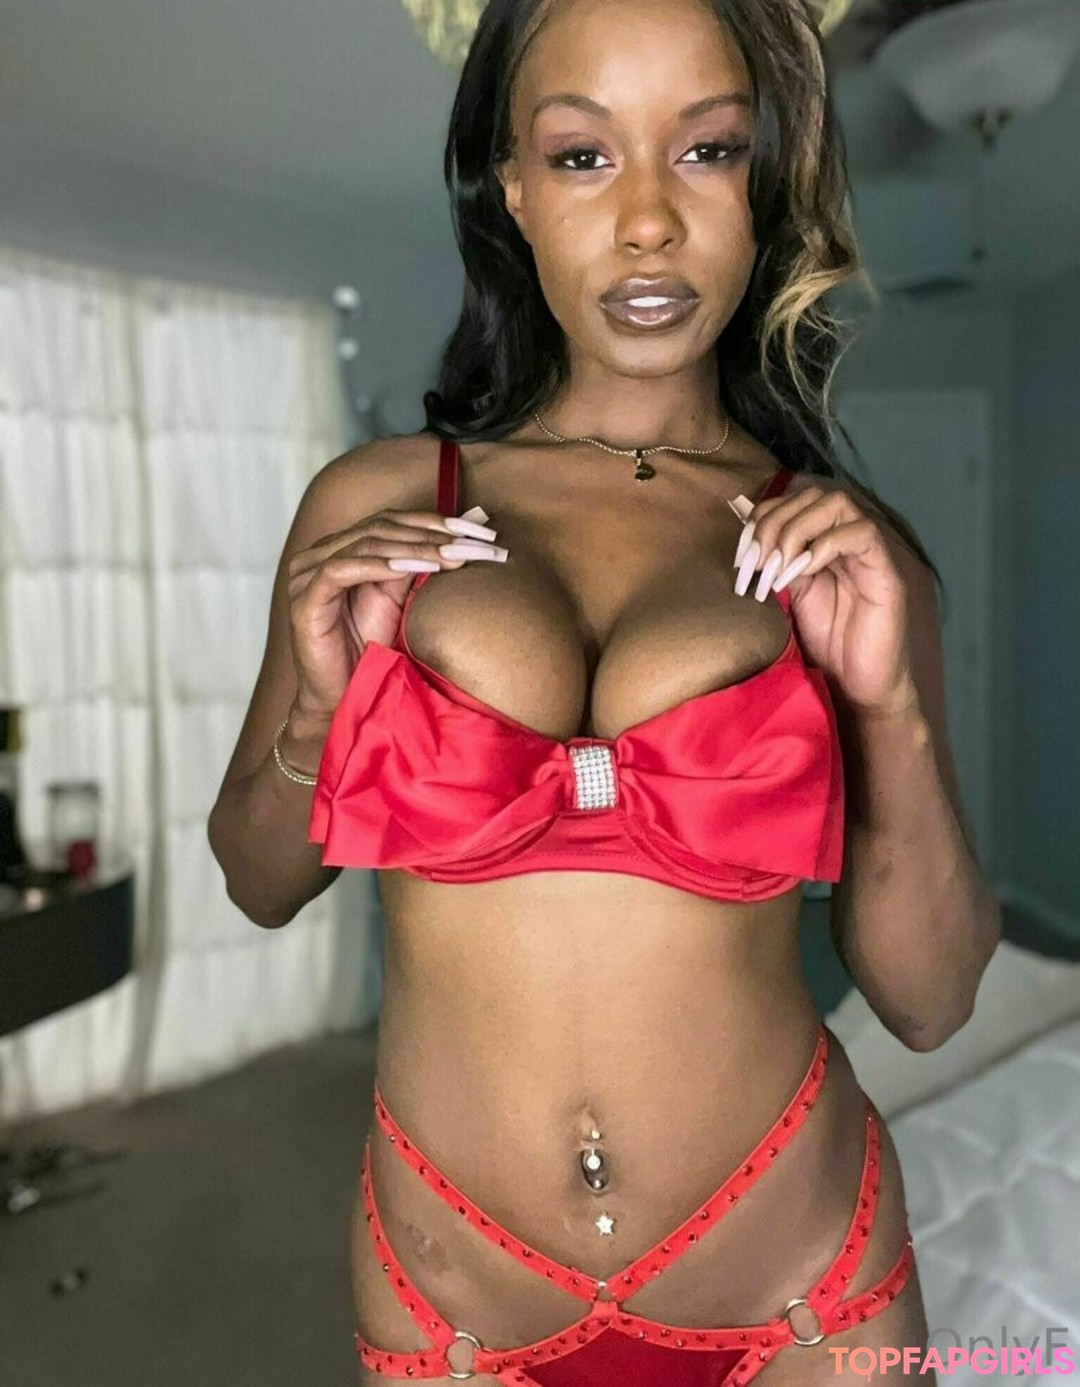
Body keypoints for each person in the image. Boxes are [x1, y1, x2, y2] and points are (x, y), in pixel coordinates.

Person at [208, 0, 1001, 1381]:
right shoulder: (377, 504)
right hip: (455, 1294)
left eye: (707, 149)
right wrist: (317, 716)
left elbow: (929, 1004)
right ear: (512, 187)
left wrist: (890, 712)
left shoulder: (837, 549)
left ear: (764, 186)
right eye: (583, 156)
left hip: (800, 1279)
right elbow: (257, 882)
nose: (646, 222)